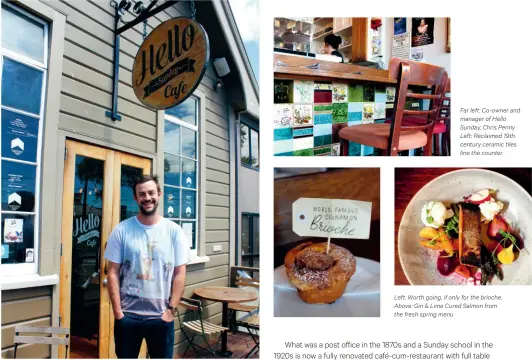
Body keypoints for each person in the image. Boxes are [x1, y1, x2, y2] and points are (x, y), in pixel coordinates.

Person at [104, 175, 189, 359]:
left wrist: (171, 310)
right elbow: (112, 272)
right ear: (136, 198)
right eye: (142, 194)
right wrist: (118, 312)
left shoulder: (174, 232)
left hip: (161, 317)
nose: (147, 197)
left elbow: (180, 273)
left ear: (159, 194)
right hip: (128, 317)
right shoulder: (122, 230)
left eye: (151, 192)